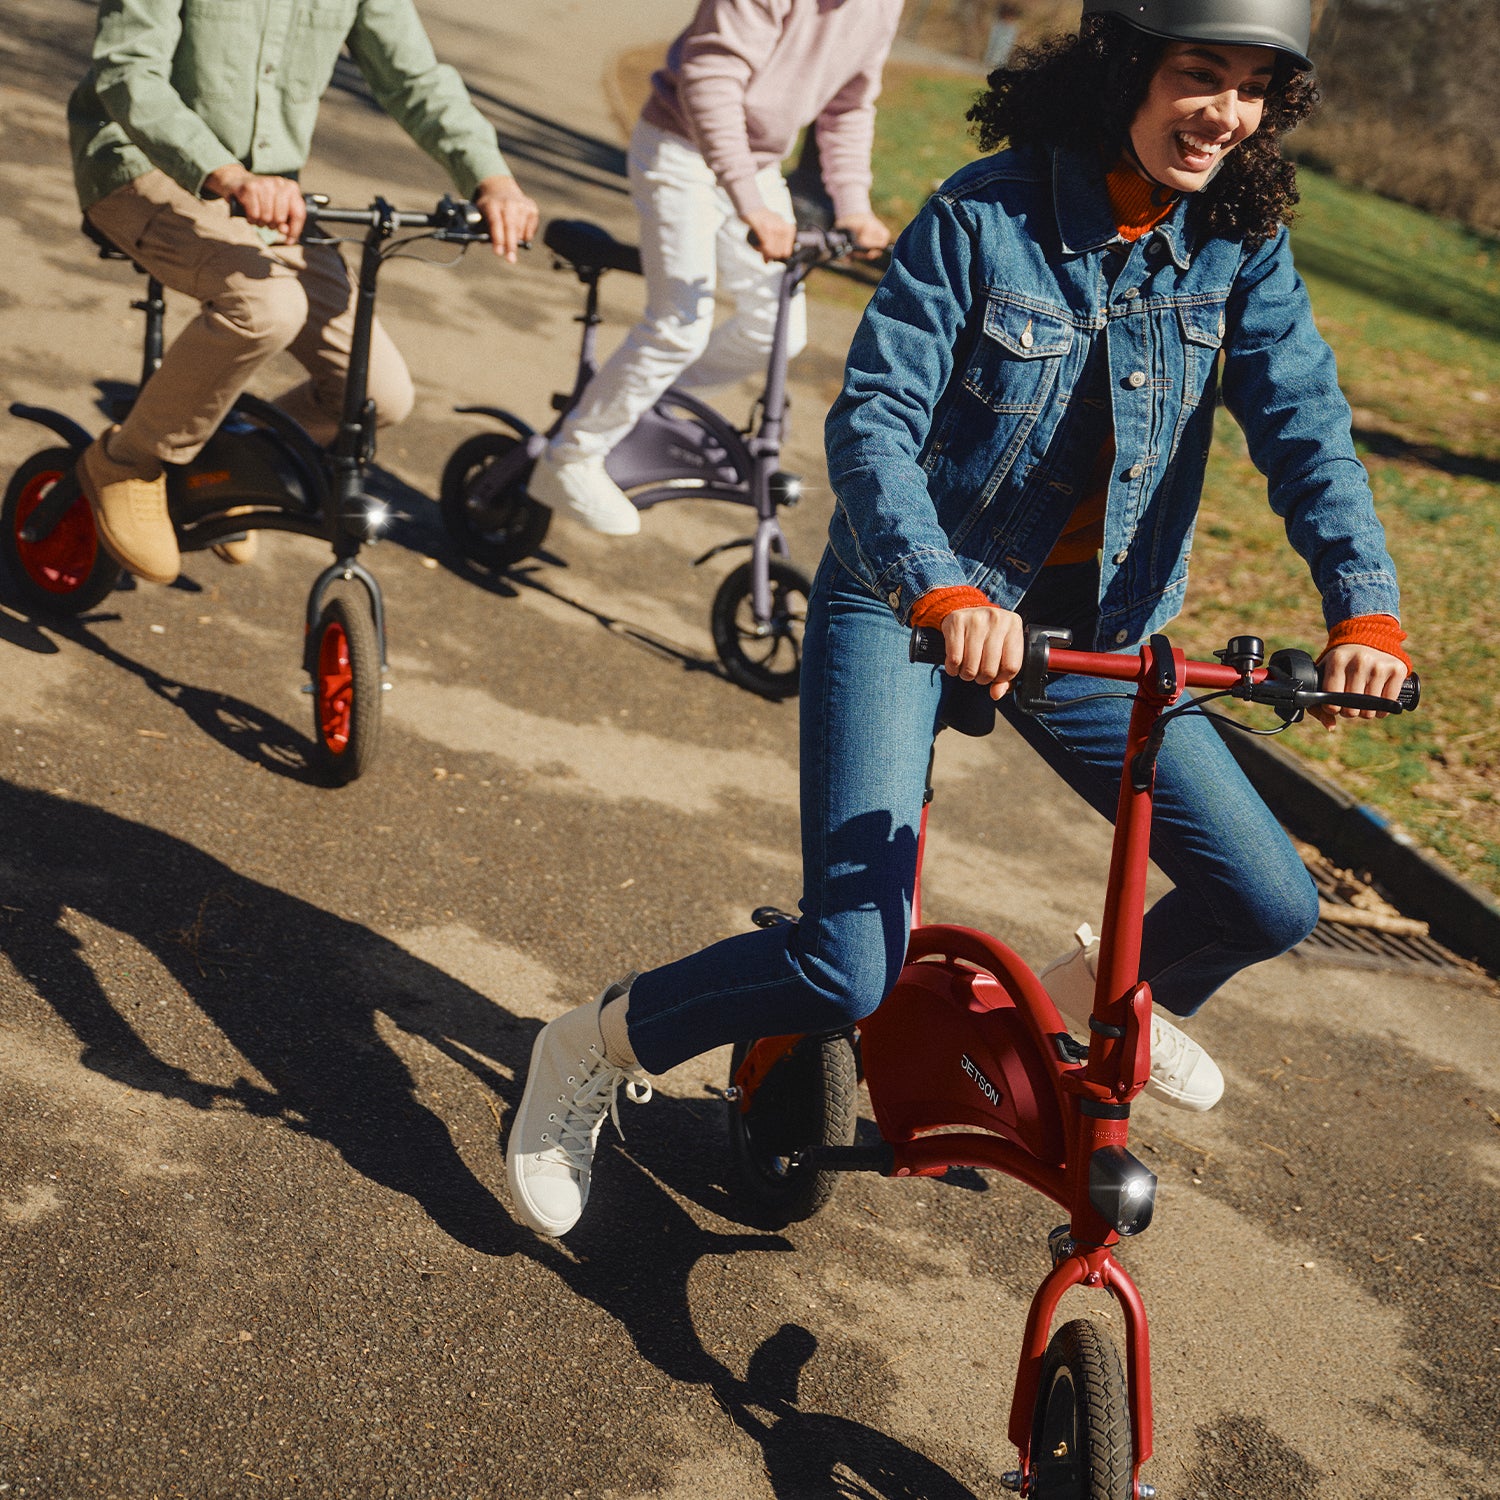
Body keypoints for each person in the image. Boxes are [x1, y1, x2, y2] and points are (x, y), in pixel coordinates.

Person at [506, 0, 1414, 1239]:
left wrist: (1367, 613)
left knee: (1268, 900)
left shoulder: (1237, 245)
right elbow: (873, 417)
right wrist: (942, 588)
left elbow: (1307, 433)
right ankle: (593, 1046)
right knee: (848, 965)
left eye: (1256, 88)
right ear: (1127, 71)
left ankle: (1079, 1004)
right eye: (1201, 73)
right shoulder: (987, 214)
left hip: (1089, 625)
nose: (1228, 113)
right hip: (910, 593)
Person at [68, 0, 539, 585]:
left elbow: (414, 80)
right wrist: (225, 172)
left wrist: (491, 179)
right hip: (142, 168)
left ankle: (227, 460)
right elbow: (127, 70)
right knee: (266, 307)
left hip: (270, 194)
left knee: (375, 396)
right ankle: (127, 462)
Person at [526, 0, 901, 536]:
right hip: (681, 145)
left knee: (776, 330)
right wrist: (750, 202)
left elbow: (850, 105)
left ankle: (631, 412)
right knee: (679, 322)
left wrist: (854, 204)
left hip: (760, 162)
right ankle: (569, 459)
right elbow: (708, 79)